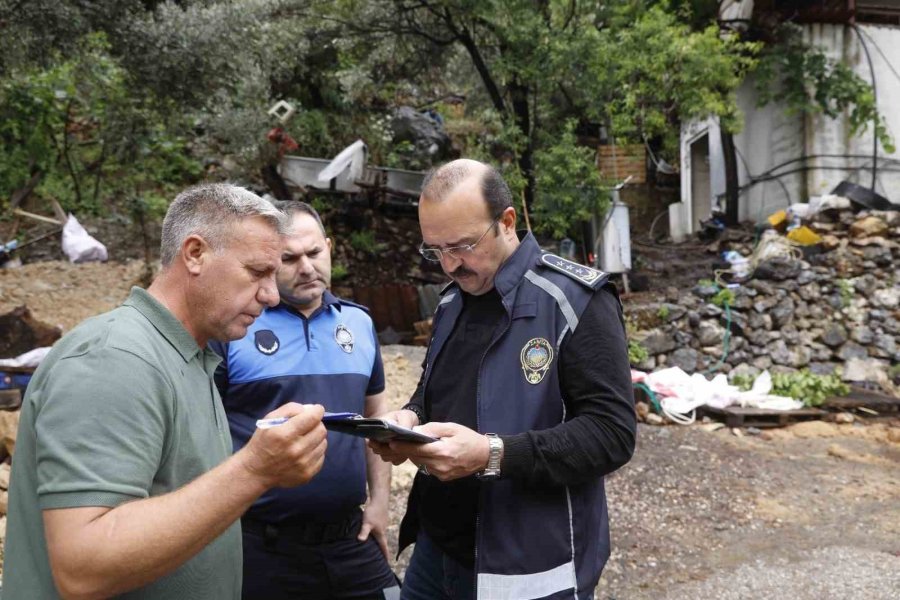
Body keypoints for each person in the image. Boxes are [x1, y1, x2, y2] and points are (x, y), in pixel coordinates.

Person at [2, 183, 329, 600]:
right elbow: (84, 567)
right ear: (195, 254)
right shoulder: (115, 360)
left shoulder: (190, 355)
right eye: (258, 272)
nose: (270, 294)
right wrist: (255, 469)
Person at [371, 159, 637, 600]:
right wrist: (409, 418)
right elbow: (435, 391)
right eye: (434, 250)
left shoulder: (574, 300)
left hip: (527, 566)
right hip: (435, 553)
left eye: (462, 246)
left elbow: (612, 434)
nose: (449, 265)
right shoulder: (452, 302)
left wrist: (492, 455)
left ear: (507, 222)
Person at [211, 200, 399, 600]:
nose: (307, 267)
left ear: (329, 247)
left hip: (350, 537)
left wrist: (380, 502)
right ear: (267, 263)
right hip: (263, 545)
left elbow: (377, 415)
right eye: (289, 258)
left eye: (314, 253)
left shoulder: (359, 322)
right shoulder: (237, 327)